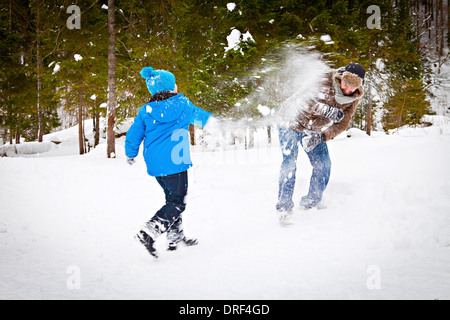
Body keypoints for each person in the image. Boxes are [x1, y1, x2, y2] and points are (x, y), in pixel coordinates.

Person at [125, 67, 215, 257]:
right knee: (177, 202)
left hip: (155, 164)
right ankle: (150, 231)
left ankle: (175, 236)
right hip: (176, 161)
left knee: (171, 199)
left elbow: (134, 135)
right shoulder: (183, 104)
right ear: (171, 87)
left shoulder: (146, 111)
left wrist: (130, 153)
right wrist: (214, 123)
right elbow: (200, 117)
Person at [277, 62, 365, 222]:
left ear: (358, 88)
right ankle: (284, 208)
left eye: (351, 88)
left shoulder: (353, 98)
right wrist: (325, 110)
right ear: (341, 78)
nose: (347, 89)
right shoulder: (324, 79)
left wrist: (322, 136)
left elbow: (343, 123)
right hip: (290, 121)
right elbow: (301, 100)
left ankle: (310, 202)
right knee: (289, 163)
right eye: (345, 84)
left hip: (314, 129)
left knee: (323, 164)